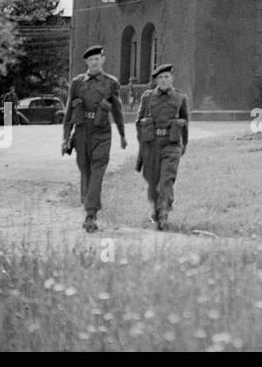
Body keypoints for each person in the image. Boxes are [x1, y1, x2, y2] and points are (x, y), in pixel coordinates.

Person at [61, 45, 127, 232]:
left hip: (102, 132)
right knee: (85, 171)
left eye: (97, 59)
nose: (94, 63)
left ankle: (91, 214)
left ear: (103, 60)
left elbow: (117, 110)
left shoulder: (111, 83)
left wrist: (122, 134)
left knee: (97, 171)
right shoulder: (77, 82)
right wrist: (66, 138)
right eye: (91, 60)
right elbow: (69, 112)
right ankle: (88, 202)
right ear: (86, 63)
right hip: (81, 132)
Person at [135, 63, 189, 230]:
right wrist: (142, 143)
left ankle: (164, 211)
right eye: (160, 77)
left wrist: (184, 144)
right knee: (153, 182)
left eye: (166, 77)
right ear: (156, 80)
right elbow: (139, 122)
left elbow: (185, 121)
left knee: (166, 179)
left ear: (172, 79)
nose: (164, 80)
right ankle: (156, 210)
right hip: (151, 145)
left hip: (171, 145)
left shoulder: (180, 98)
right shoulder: (147, 97)